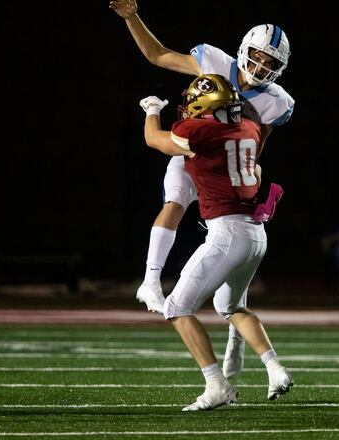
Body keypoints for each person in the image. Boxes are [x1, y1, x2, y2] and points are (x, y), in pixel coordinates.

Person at [110, 0, 294, 381]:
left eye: (270, 64)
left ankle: (235, 342)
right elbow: (158, 55)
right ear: (244, 50)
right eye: (258, 58)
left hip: (224, 164)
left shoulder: (277, 102)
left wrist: (247, 173)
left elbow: (256, 145)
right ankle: (150, 278)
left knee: (230, 285)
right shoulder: (213, 60)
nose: (261, 68)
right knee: (175, 199)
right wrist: (133, 18)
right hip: (193, 151)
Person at [139, 73, 292, 410]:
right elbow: (257, 172)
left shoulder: (200, 132)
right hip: (256, 234)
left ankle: (216, 384)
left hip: (227, 233)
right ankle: (275, 368)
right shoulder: (249, 129)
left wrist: (151, 109)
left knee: (177, 308)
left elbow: (154, 139)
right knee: (232, 307)